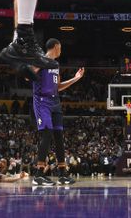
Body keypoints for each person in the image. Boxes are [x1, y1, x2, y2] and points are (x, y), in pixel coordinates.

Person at [24, 39, 84, 186]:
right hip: (42, 101)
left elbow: (57, 87)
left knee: (58, 136)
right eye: (61, 48)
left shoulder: (56, 65)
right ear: (56, 47)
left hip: (55, 102)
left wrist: (75, 79)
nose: (61, 50)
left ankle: (62, 174)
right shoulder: (41, 59)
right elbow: (27, 76)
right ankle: (39, 174)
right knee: (47, 132)